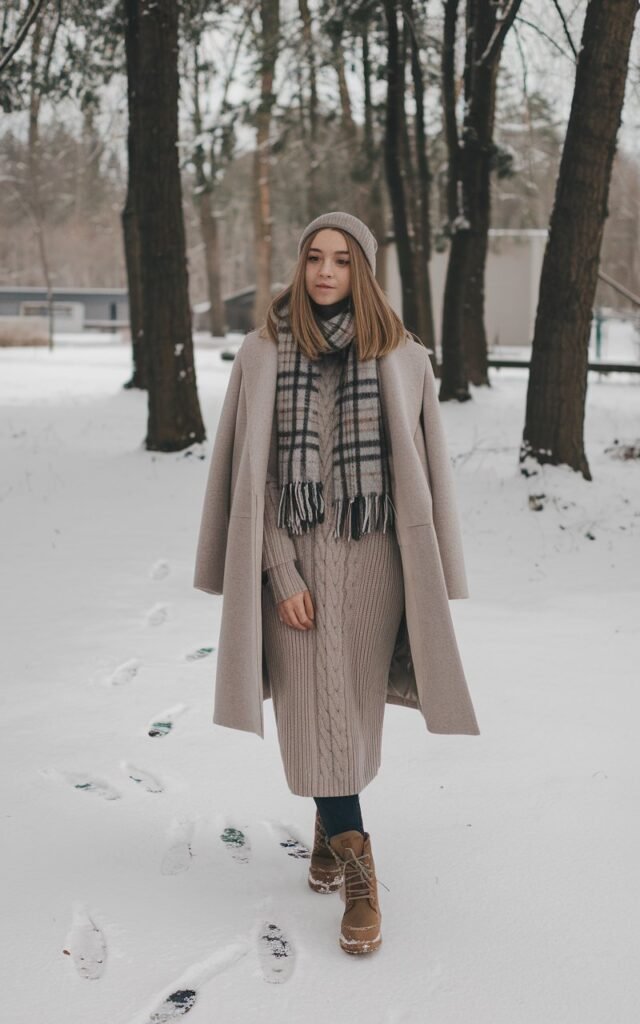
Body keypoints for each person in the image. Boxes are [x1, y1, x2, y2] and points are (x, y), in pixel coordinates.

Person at [193, 210, 480, 957]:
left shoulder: (404, 356)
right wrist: (280, 569)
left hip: (376, 569)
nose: (325, 272)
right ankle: (360, 862)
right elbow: (249, 482)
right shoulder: (262, 353)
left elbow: (421, 479)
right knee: (310, 709)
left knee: (347, 714)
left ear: (364, 271)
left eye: (342, 260)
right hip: (291, 567)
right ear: (300, 263)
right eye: (314, 256)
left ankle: (330, 833)